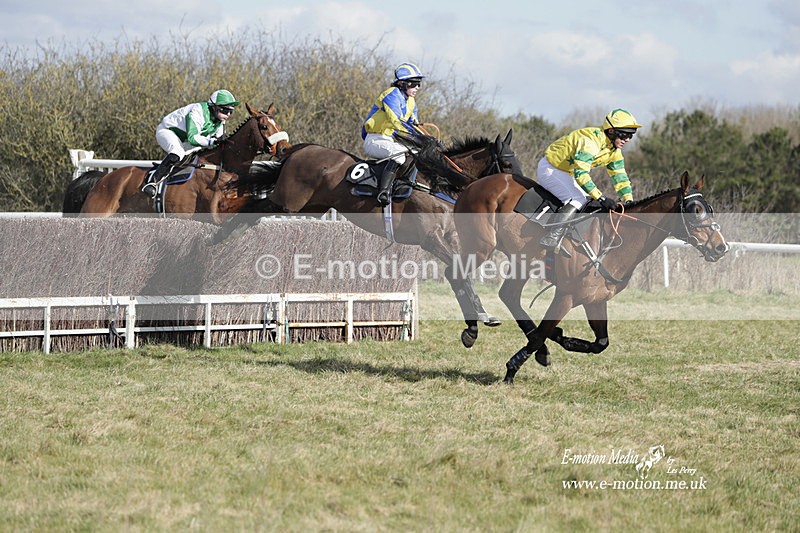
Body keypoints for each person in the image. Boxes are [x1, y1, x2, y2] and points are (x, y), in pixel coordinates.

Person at [537, 108, 642, 249]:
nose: (627, 140)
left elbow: (620, 177)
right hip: (550, 169)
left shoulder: (614, 151)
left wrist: (628, 201)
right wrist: (602, 198)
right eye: (624, 135)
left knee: (588, 203)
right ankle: (552, 236)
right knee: (578, 199)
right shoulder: (590, 142)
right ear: (611, 131)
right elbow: (581, 174)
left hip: (566, 172)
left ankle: (569, 238)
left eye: (631, 136)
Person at [142, 89, 240, 196]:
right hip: (168, 131)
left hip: (184, 140)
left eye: (231, 111)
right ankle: (152, 181)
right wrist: (213, 141)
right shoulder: (197, 111)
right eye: (225, 111)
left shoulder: (220, 120)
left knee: (198, 156)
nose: (228, 114)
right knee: (177, 153)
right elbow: (192, 138)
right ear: (214, 107)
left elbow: (220, 141)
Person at [361, 62, 425, 205]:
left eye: (419, 84)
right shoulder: (391, 95)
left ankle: (404, 186)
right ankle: (383, 192)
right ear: (402, 83)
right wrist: (418, 138)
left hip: (390, 140)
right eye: (414, 84)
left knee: (417, 153)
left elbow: (414, 124)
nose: (418, 88)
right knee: (400, 155)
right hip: (375, 140)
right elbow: (396, 121)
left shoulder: (411, 102)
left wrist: (425, 139)